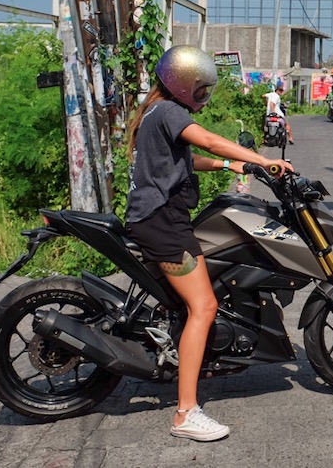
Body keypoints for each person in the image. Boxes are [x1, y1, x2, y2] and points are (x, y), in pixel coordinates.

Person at [125, 46, 294, 440]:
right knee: (204, 306)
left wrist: (230, 165)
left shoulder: (154, 111)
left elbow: (182, 159)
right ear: (183, 86)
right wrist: (262, 160)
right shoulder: (170, 112)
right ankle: (185, 414)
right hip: (163, 221)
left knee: (197, 300)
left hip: (158, 218)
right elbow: (208, 141)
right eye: (200, 90)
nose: (203, 96)